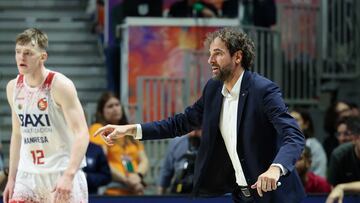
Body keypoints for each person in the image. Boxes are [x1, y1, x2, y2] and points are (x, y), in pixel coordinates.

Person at [95, 27, 305, 203]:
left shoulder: (263, 90)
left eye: (218, 53)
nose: (210, 60)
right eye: (210, 54)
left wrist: (275, 169)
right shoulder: (213, 90)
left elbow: (293, 135)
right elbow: (180, 123)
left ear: (238, 56)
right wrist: (130, 129)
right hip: (243, 196)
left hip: (278, 196)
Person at [3, 28, 89, 203]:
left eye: (28, 53)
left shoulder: (60, 85)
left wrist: (69, 174)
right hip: (28, 175)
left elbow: (82, 133)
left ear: (43, 57)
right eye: (18, 52)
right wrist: (12, 178)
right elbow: (17, 134)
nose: (21, 57)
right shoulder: (13, 87)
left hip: (61, 172)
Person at [89, 92, 149, 195]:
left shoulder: (129, 130)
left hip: (135, 189)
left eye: (117, 105)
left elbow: (144, 160)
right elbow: (101, 163)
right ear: (102, 111)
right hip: (111, 191)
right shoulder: (99, 129)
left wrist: (138, 177)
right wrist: (127, 180)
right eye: (110, 106)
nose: (115, 109)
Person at [157, 129, 201, 195]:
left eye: (198, 129)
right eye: (192, 129)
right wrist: (160, 194)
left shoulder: (210, 143)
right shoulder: (177, 142)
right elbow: (166, 170)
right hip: (180, 188)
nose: (194, 133)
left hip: (202, 191)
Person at [290, 109, 327, 177]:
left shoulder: (315, 146)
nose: (291, 123)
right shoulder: (280, 144)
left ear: (306, 124)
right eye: (289, 120)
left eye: (296, 120)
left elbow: (320, 175)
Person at [327, 116, 360, 186]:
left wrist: (342, 187)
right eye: (339, 134)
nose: (341, 138)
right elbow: (332, 187)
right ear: (355, 138)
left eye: (346, 134)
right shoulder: (338, 155)